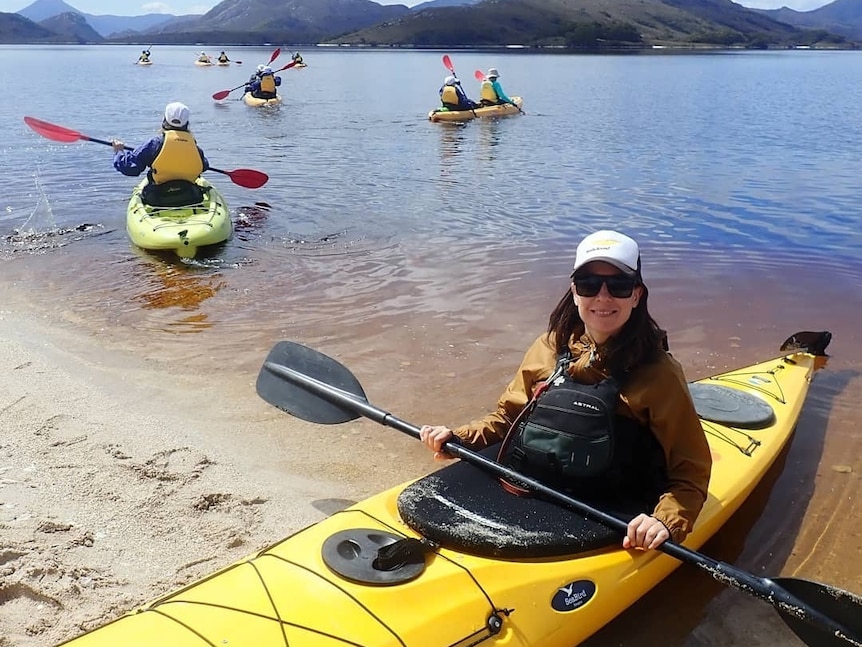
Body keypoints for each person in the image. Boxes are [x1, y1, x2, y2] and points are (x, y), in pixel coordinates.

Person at [420, 230, 712, 551]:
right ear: (574, 292)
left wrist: (665, 521)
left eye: (618, 286)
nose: (603, 297)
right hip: (536, 484)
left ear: (636, 295)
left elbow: (691, 472)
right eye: (589, 285)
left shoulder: (660, 374)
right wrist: (460, 437)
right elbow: (507, 418)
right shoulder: (548, 347)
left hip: (610, 503)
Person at [111, 102, 210, 208]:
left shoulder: (155, 144)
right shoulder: (194, 146)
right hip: (191, 197)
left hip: (158, 199)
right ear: (187, 123)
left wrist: (119, 151)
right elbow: (204, 166)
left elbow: (130, 168)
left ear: (164, 120)